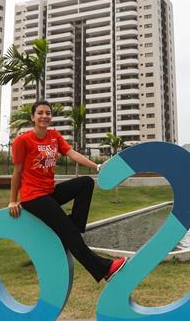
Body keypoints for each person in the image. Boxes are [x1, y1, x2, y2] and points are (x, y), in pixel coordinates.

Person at [9, 100, 127, 282]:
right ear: (32, 117)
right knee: (68, 231)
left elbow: (72, 154)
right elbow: (16, 172)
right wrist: (12, 200)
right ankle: (104, 269)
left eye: (48, 113)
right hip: (33, 197)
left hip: (49, 191)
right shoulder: (22, 141)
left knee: (86, 183)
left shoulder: (54, 136)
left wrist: (96, 166)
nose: (44, 116)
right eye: (40, 113)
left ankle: (74, 227)